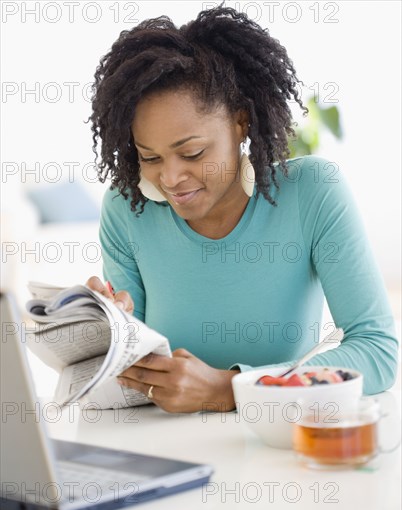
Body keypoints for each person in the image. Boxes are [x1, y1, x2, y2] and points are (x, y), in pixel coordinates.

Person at [86, 5, 398, 413]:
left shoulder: (311, 193)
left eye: (192, 152)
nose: (171, 178)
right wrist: (108, 331)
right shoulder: (127, 210)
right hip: (168, 451)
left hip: (280, 445)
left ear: (241, 122)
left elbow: (378, 352)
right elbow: (136, 373)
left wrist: (230, 388)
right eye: (151, 157)